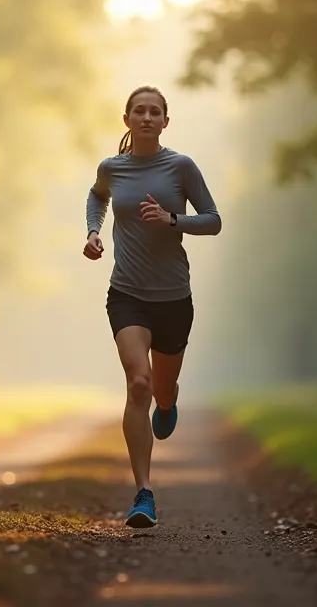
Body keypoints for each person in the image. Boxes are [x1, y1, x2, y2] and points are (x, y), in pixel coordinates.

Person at [83, 85, 222, 529]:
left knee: (162, 390)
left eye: (154, 112)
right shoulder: (113, 168)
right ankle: (143, 493)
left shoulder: (180, 166)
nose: (146, 117)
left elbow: (214, 220)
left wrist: (173, 220)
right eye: (138, 111)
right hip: (127, 295)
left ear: (165, 121)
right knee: (138, 384)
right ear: (126, 120)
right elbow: (97, 195)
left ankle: (169, 402)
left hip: (174, 299)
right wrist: (92, 232)